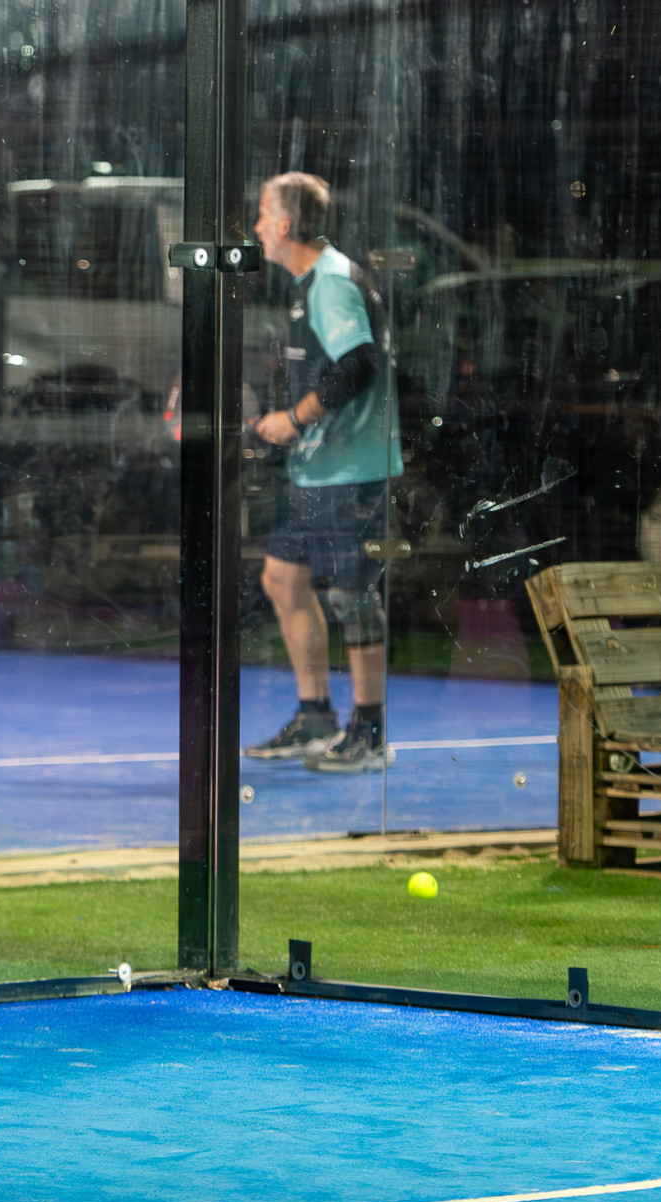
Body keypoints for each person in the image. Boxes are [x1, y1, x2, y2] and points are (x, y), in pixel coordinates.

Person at [246, 173, 403, 773]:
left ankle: (370, 733)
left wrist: (293, 419)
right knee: (283, 579)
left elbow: (357, 364)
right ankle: (316, 718)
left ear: (286, 225)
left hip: (350, 472)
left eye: (264, 215)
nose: (257, 227)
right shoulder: (310, 284)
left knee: (350, 594)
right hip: (319, 471)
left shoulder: (332, 280)